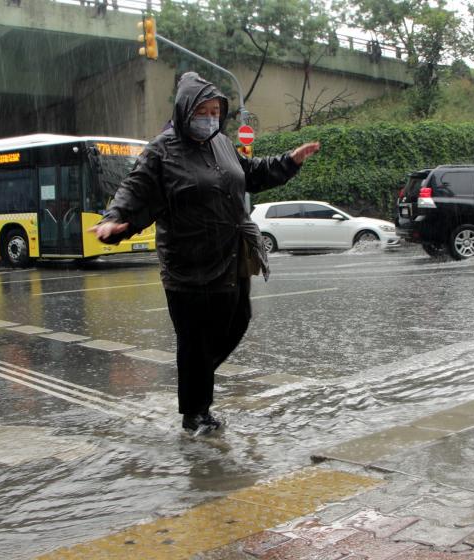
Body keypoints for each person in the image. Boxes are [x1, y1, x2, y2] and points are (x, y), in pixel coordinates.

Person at [90, 72, 320, 434]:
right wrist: (114, 220)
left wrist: (289, 161)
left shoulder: (222, 143)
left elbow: (250, 174)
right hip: (188, 263)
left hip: (229, 256)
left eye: (216, 111)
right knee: (195, 339)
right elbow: (134, 189)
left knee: (237, 322)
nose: (210, 118)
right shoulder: (162, 151)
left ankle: (194, 381)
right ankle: (195, 412)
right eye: (203, 111)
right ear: (185, 111)